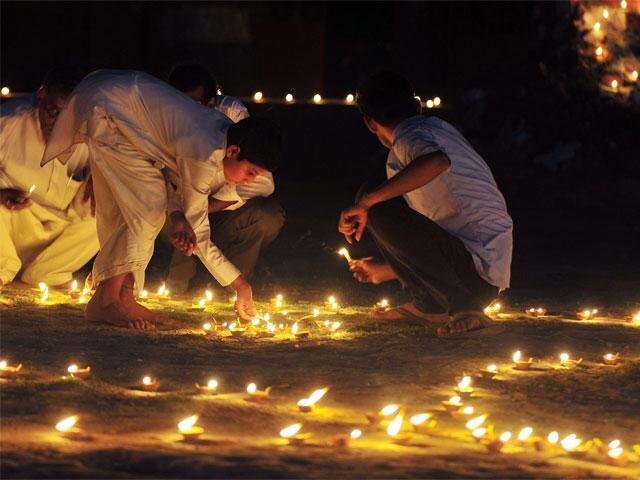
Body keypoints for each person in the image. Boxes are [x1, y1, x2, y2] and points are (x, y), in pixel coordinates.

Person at [42, 69, 282, 330]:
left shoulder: (219, 134)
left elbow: (172, 181)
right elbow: (198, 233)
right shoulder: (204, 152)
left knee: (129, 208)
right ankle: (107, 300)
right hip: (107, 109)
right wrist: (240, 285)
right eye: (250, 172)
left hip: (109, 103)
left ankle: (123, 296)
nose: (249, 180)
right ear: (234, 151)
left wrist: (178, 216)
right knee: (150, 209)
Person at [338, 72, 513, 336]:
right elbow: (432, 231)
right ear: (417, 105)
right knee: (377, 198)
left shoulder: (411, 135)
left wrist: (366, 203)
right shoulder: (436, 130)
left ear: (370, 123)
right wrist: (389, 270)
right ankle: (429, 306)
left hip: (475, 279)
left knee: (375, 203)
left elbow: (436, 162)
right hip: (478, 271)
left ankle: (463, 306)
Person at [165, 63, 284, 292]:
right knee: (188, 215)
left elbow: (262, 177)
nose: (184, 110)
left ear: (211, 102)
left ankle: (233, 282)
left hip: (218, 213)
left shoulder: (231, 119)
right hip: (175, 212)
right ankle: (179, 280)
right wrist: (182, 211)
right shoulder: (170, 125)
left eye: (193, 103)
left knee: (268, 213)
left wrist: (212, 204)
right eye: (177, 102)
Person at [0, 66, 98, 289]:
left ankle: (47, 272)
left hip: (59, 235)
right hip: (12, 224)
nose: (59, 124)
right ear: (41, 96)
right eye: (53, 112)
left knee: (109, 206)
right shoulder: (8, 122)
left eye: (69, 117)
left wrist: (102, 178)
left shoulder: (94, 131)